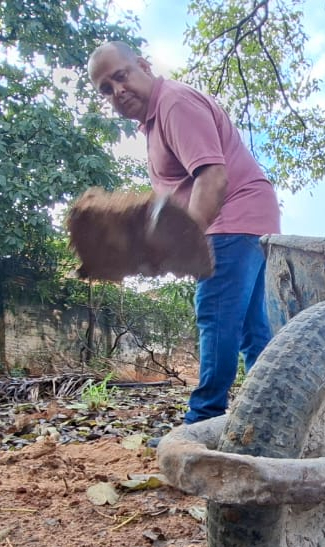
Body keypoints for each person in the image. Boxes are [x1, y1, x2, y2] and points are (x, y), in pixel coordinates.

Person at [87, 41, 280, 429]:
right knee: (251, 327)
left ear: (143, 65)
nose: (117, 91)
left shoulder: (174, 104)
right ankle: (271, 417)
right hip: (255, 220)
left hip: (233, 218)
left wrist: (186, 244)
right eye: (105, 89)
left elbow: (213, 177)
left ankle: (202, 420)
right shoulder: (156, 121)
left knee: (217, 314)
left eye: (121, 76)